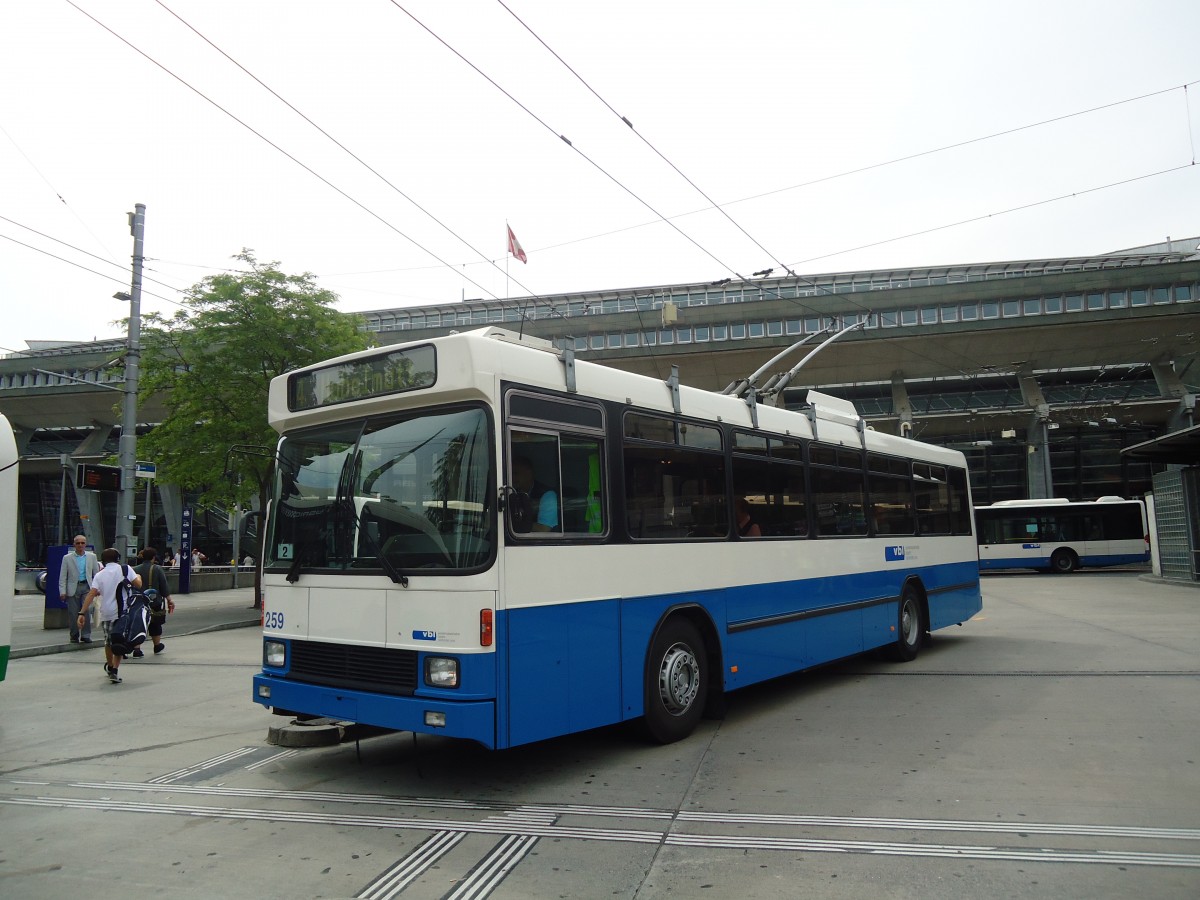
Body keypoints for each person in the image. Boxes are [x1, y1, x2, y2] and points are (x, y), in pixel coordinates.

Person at [78, 548, 142, 684]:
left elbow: (91, 594)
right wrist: (139, 577)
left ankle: (110, 666)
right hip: (123, 612)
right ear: (118, 558)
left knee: (108, 641)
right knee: (119, 640)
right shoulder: (125, 569)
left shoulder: (100, 575)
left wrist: (82, 613)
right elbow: (138, 584)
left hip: (106, 612)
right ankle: (115, 670)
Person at [132, 546, 175, 657]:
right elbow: (163, 585)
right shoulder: (157, 568)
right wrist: (169, 599)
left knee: (139, 624)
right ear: (153, 557)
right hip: (154, 601)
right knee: (155, 623)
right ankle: (157, 645)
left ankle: (137, 649)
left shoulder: (135, 569)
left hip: (138, 601)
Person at [58, 535, 100, 643]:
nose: (80, 545)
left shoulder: (92, 557)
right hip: (73, 587)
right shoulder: (67, 558)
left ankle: (86, 635)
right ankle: (74, 635)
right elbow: (63, 576)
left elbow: (96, 574)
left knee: (86, 610)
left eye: (82, 543)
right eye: (78, 543)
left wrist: (98, 588)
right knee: (73, 613)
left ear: (85, 544)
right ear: (74, 545)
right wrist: (62, 591)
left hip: (87, 586)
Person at [512, 455, 559, 532]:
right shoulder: (512, 493)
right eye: (511, 474)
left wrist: (512, 525)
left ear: (529, 473)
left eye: (516, 473)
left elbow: (544, 529)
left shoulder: (548, 495)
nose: (513, 478)